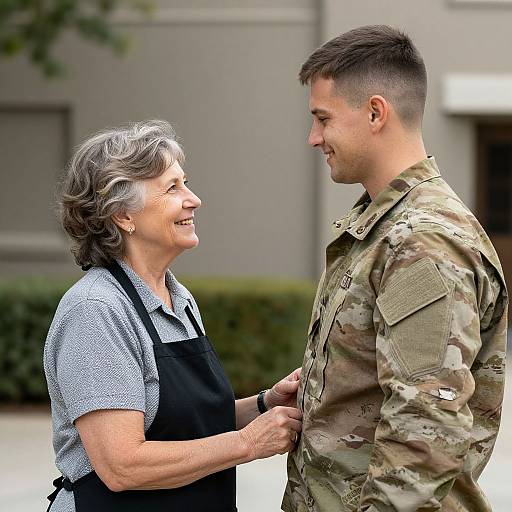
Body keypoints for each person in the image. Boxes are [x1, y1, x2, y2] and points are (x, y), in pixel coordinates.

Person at [283, 25, 508, 512]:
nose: (313, 137)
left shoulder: (421, 241)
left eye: (323, 118)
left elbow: (424, 428)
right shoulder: (383, 228)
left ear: (375, 112)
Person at [44, 120, 302, 512]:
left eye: (186, 182)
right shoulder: (96, 312)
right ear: (122, 216)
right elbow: (122, 465)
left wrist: (264, 404)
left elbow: (184, 425)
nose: (193, 199)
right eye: (172, 188)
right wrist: (249, 443)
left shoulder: (178, 299)